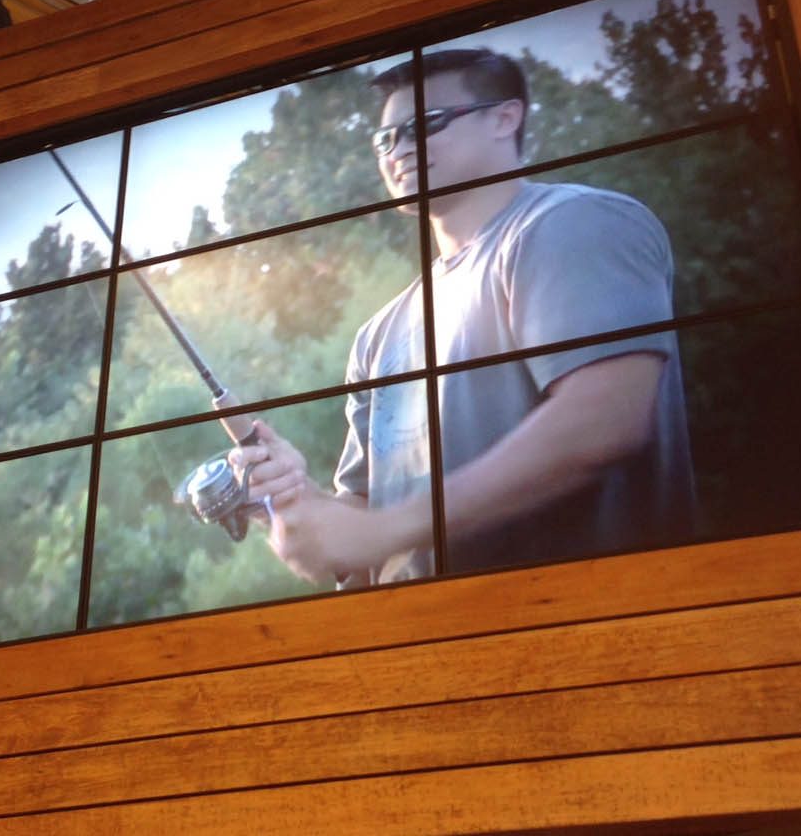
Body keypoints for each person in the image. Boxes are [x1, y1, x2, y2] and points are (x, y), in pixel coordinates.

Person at [233, 48, 696, 585]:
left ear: (505, 117)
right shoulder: (377, 334)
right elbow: (362, 538)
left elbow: (606, 418)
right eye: (385, 139)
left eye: (425, 124)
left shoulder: (572, 223)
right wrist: (296, 504)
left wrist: (386, 530)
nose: (400, 148)